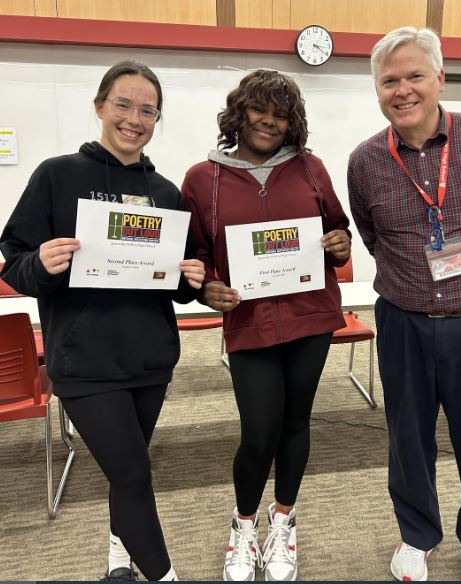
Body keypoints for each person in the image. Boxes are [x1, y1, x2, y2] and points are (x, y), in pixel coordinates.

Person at [0, 60, 205, 581]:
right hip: (84, 361)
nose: (134, 118)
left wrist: (191, 275)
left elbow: (177, 290)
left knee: (125, 469)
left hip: (150, 358)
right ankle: (163, 575)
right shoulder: (57, 175)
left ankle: (119, 558)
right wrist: (39, 263)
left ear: (157, 119)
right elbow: (15, 262)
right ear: (99, 107)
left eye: (148, 110)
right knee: (135, 474)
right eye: (123, 104)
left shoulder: (164, 193)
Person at [347, 27, 461, 582]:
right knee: (407, 439)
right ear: (377, 89)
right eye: (389, 81)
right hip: (404, 322)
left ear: (440, 79)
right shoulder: (366, 161)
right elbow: (371, 234)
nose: (402, 90)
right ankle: (417, 537)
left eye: (414, 76)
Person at [182, 69, 351, 581]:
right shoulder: (201, 178)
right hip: (250, 322)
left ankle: (284, 522)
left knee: (296, 423)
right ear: (239, 113)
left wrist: (340, 243)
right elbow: (196, 256)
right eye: (260, 111)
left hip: (311, 316)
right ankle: (243, 524)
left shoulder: (310, 168)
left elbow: (336, 228)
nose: (270, 122)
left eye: (281, 115)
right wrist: (207, 287)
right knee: (259, 433)